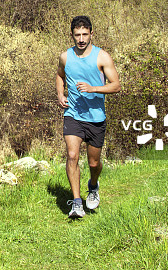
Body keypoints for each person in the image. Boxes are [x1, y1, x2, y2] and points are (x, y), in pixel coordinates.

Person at [56, 15, 121, 218]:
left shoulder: (102, 57)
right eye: (77, 35)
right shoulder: (65, 57)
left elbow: (116, 85)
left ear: (92, 34)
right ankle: (76, 203)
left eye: (85, 34)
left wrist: (93, 88)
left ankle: (93, 186)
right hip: (73, 114)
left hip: (96, 117)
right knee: (72, 156)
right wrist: (60, 93)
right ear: (72, 35)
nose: (81, 39)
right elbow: (60, 75)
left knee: (94, 163)